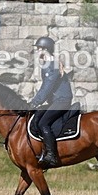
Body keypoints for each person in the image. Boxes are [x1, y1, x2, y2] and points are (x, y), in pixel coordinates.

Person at [28, 36, 73, 168]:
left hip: (62, 100)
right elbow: (44, 87)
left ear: (44, 49)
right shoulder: (49, 64)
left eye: (38, 49)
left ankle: (51, 156)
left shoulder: (51, 65)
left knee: (43, 123)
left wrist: (34, 103)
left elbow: (47, 87)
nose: (36, 51)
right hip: (56, 100)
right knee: (37, 118)